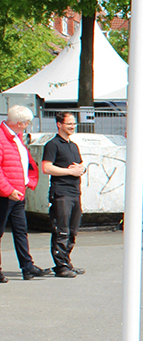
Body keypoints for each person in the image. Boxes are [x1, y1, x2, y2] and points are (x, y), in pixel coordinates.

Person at [0, 106, 51, 282]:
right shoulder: (3, 138)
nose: (28, 126)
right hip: (6, 194)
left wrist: (27, 181)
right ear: (20, 123)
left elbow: (26, 163)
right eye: (27, 123)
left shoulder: (16, 137)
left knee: (21, 231)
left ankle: (27, 267)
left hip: (17, 192)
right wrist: (7, 190)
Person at [40, 111, 86, 278]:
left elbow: (78, 166)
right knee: (62, 230)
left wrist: (81, 169)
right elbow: (46, 167)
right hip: (61, 193)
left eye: (74, 123)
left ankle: (67, 261)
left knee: (73, 230)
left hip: (75, 192)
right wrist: (68, 171)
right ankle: (60, 266)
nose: (72, 126)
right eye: (69, 124)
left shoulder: (73, 145)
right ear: (59, 124)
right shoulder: (53, 145)